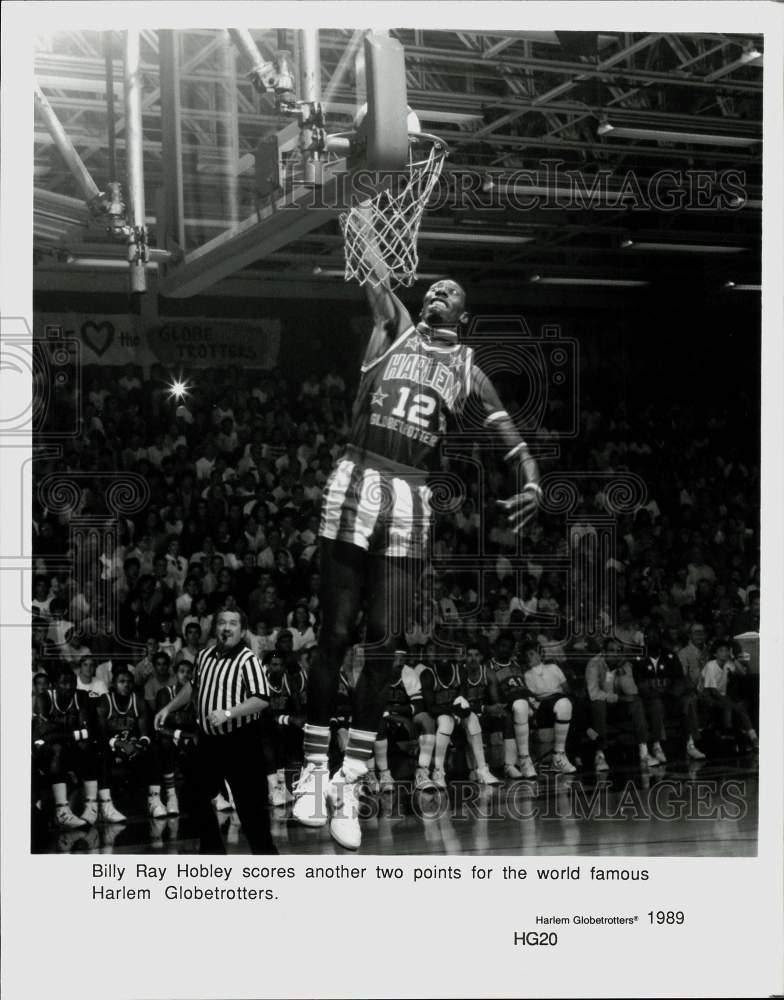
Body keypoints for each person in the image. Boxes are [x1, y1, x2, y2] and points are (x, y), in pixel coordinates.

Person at [292, 265, 542, 850]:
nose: (437, 292)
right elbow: (374, 272)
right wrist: (356, 206)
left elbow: (511, 440)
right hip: (357, 475)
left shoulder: (469, 372)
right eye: (433, 287)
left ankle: (349, 779)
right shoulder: (394, 327)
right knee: (333, 634)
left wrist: (531, 477)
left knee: (384, 642)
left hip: (410, 493)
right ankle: (310, 767)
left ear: (462, 314)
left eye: (451, 291)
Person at [155, 607, 276, 854]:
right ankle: (213, 855)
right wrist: (168, 707)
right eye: (222, 622)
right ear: (215, 628)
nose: (226, 628)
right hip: (209, 741)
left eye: (233, 623)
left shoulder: (247, 659)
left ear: (242, 631)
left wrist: (228, 713)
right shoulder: (205, 655)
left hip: (240, 741)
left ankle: (268, 863)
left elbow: (262, 699)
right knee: (193, 796)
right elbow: (192, 686)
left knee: (250, 812)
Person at [520, 641, 577, 774]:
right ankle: (563, 756)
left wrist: (560, 696)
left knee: (576, 705)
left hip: (560, 699)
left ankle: (567, 755)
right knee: (565, 704)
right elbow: (535, 698)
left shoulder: (553, 667)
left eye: (532, 654)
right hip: (543, 708)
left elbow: (567, 688)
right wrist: (554, 696)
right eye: (526, 655)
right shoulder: (527, 675)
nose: (529, 657)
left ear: (540, 655)